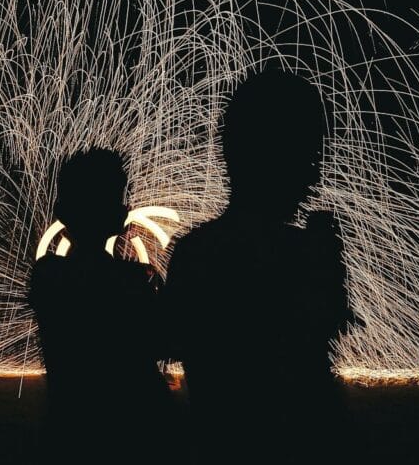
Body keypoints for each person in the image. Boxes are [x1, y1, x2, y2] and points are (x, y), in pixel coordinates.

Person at [164, 70, 354, 461]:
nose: (316, 172)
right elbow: (312, 358)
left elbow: (175, 343)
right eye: (308, 153)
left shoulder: (193, 253)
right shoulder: (303, 256)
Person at [28, 148, 173, 463]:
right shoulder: (132, 282)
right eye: (119, 197)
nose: (126, 206)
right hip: (135, 434)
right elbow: (165, 343)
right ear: (117, 215)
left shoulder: (48, 276)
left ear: (62, 211)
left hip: (71, 433)